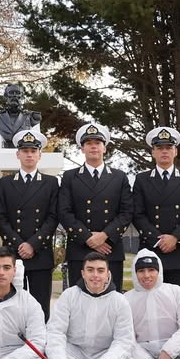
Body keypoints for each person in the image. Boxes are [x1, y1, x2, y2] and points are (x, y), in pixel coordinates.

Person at [45, 252, 137, 359]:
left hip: (104, 352)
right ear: (82, 273)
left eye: (100, 270)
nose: (95, 275)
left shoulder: (119, 301)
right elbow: (55, 331)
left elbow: (124, 340)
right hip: (75, 350)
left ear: (108, 273)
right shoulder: (69, 296)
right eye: (90, 270)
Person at [57, 122, 134, 291]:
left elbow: (127, 212)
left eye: (97, 143)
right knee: (78, 302)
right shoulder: (70, 177)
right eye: (89, 143)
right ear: (82, 149)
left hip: (110, 249)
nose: (93, 147)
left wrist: (105, 235)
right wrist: (88, 237)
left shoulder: (119, 177)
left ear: (104, 148)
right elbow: (64, 211)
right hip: (79, 249)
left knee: (111, 301)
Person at [0, 128, 59, 319]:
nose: (29, 155)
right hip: (13, 254)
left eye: (33, 151)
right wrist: (19, 244)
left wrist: (33, 244)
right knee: (10, 305)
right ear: (18, 154)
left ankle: (40, 345)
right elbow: (0, 217)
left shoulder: (51, 183)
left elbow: (53, 217)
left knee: (40, 306)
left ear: (40, 155)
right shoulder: (6, 183)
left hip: (40, 252)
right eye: (25, 151)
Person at [132, 126, 180, 296]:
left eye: (168, 148)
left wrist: (175, 237)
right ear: (153, 152)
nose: (164, 152)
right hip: (152, 250)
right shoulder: (142, 179)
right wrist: (158, 240)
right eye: (159, 148)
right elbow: (137, 213)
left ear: (175, 151)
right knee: (150, 303)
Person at [125, 250, 180, 359]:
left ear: (159, 271)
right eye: (141, 271)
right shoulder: (126, 299)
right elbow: (124, 336)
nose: (147, 275)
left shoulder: (176, 292)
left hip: (173, 346)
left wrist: (169, 351)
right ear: (135, 273)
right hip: (142, 348)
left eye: (151, 270)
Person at [0, 82, 42, 148]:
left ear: (22, 96)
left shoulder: (32, 117)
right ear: (6, 96)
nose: (14, 96)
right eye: (11, 93)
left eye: (17, 93)